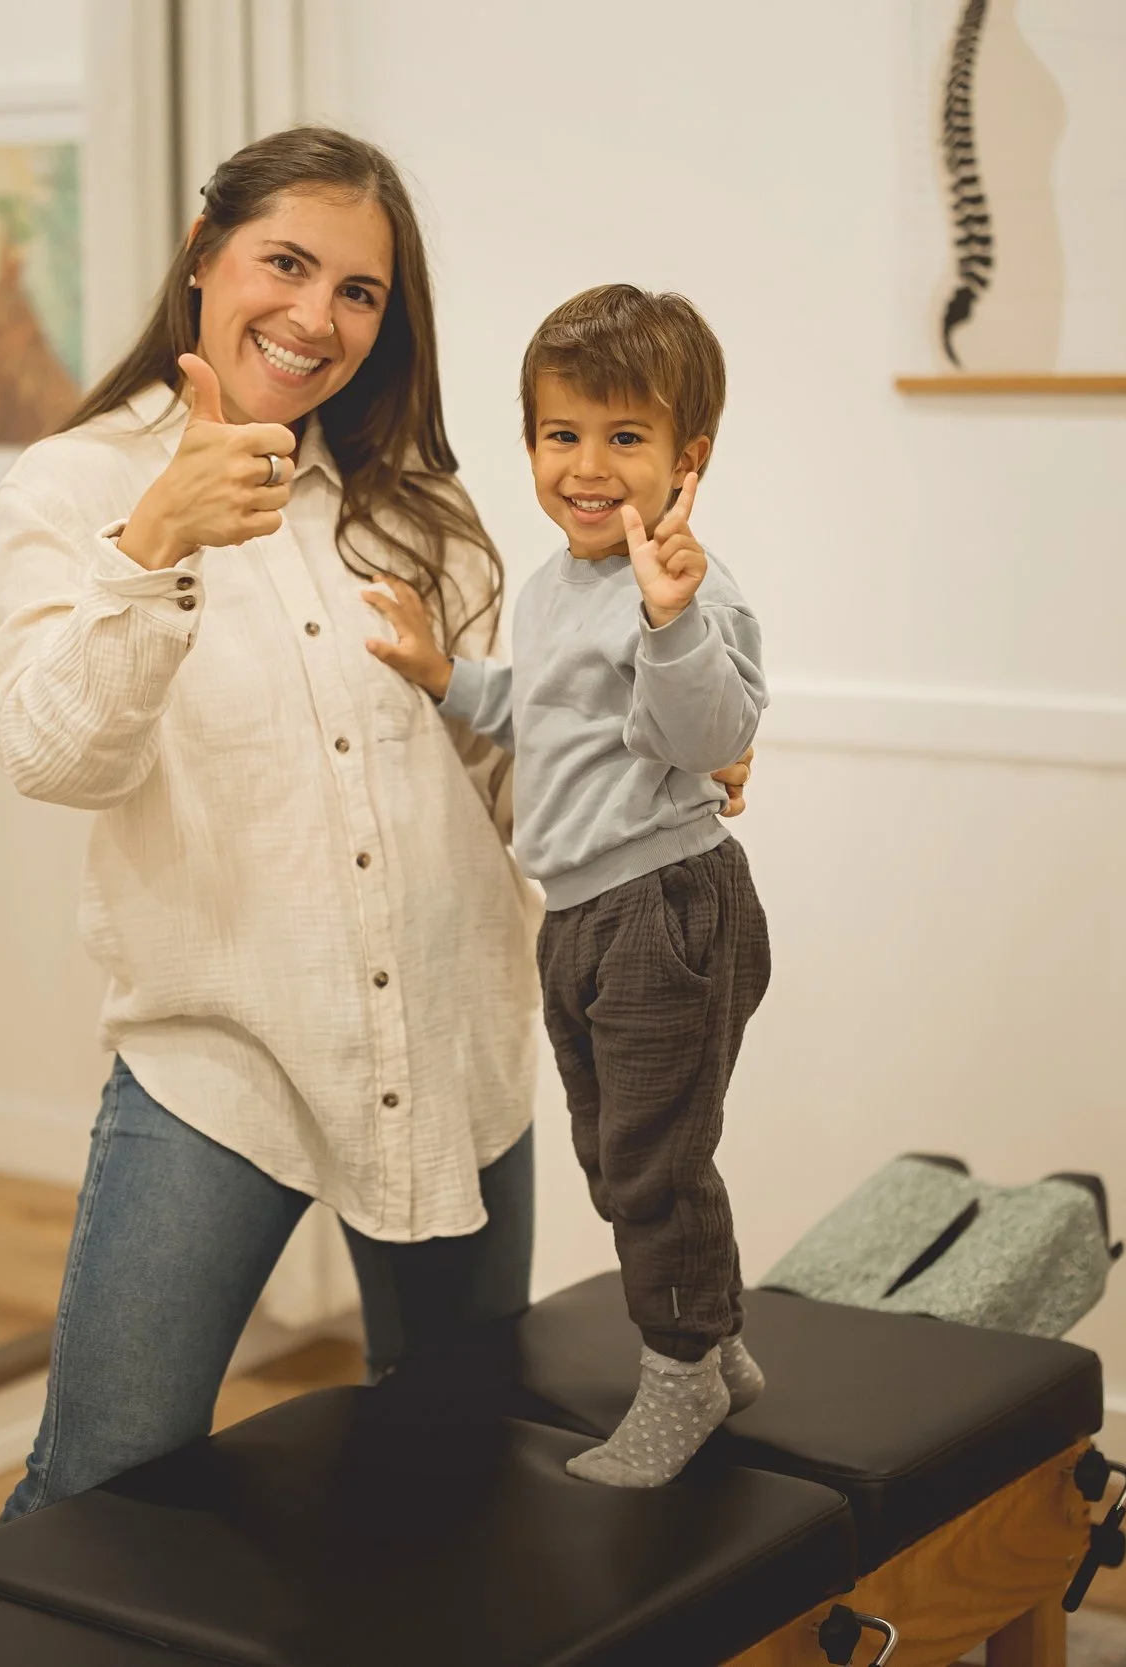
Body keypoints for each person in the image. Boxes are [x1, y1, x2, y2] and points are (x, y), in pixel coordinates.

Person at [0, 129, 751, 1520]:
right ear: (205, 256)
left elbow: (510, 776)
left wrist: (667, 765)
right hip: (226, 1062)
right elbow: (51, 756)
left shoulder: (420, 507)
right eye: (286, 263)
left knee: (450, 1465)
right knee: (101, 1483)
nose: (316, 317)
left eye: (361, 291)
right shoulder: (77, 489)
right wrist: (157, 544)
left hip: (459, 1041)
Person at [365, 284, 769, 1487]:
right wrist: (445, 675)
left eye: (626, 438)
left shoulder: (693, 593)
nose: (588, 468)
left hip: (667, 909)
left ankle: (682, 1371)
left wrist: (672, 613)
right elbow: (538, 719)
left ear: (688, 459)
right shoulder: (549, 587)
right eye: (562, 435)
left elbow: (706, 733)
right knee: (617, 1154)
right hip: (580, 914)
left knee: (651, 1163)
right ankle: (720, 1338)